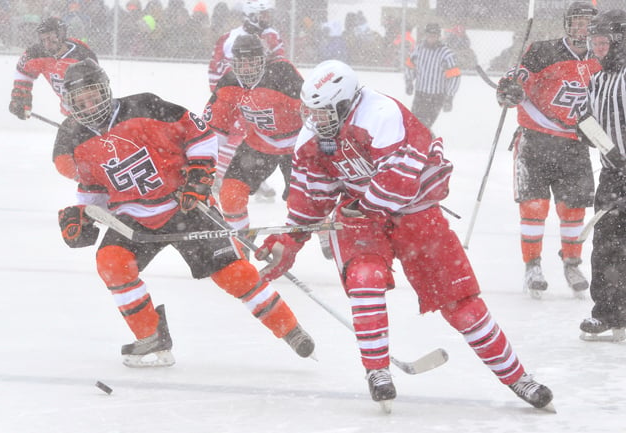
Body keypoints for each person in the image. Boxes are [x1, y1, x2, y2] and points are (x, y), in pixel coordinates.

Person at [254, 59, 554, 411]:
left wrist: (362, 207)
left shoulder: (381, 113)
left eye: (322, 112)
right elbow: (312, 197)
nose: (313, 120)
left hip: (415, 211)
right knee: (365, 278)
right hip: (362, 215)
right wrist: (290, 239)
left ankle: (517, 376)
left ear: (344, 102)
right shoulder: (311, 138)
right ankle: (377, 370)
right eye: (310, 111)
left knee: (461, 304)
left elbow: (398, 181)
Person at [53, 58, 315, 367]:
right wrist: (84, 216)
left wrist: (199, 177)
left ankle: (289, 329)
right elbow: (93, 187)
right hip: (133, 216)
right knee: (111, 262)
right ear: (68, 103)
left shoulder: (145, 106)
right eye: (79, 100)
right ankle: (151, 338)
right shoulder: (70, 142)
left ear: (106, 90)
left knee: (234, 274)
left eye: (93, 95)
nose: (88, 105)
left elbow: (199, 133)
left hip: (185, 205)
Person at [496, 1, 601, 299]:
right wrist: (510, 87)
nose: (582, 28)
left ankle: (571, 263)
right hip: (536, 139)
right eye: (577, 22)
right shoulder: (544, 50)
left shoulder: (603, 58)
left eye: (588, 23)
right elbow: (518, 76)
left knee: (574, 208)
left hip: (574, 143)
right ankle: (533, 264)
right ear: (567, 24)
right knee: (534, 206)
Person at [203, 34, 303, 234]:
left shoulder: (281, 73)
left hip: (297, 146)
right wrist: (197, 165)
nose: (246, 69)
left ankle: (320, 233)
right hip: (259, 145)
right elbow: (213, 131)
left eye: (251, 61)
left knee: (301, 202)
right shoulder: (229, 83)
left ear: (263, 60)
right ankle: (241, 244)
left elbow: (312, 113)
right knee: (230, 194)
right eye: (241, 62)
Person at [579, 9, 626, 341]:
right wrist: (586, 129)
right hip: (612, 175)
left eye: (602, 42)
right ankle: (607, 314)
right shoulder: (597, 79)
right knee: (605, 245)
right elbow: (589, 120)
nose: (596, 48)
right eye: (593, 42)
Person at [207, 0, 283, 200]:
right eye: (263, 14)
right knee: (231, 136)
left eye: (268, 14)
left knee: (253, 137)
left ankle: (250, 178)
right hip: (235, 94)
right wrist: (222, 94)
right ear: (251, 15)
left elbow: (280, 64)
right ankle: (221, 176)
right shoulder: (231, 39)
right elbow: (215, 69)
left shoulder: (272, 36)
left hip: (262, 94)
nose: (268, 18)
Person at [9, 16, 98, 181]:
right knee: (63, 162)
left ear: (62, 34)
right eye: (43, 40)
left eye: (51, 38)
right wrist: (20, 97)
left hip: (93, 115)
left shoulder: (80, 56)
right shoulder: (36, 53)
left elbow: (97, 90)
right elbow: (23, 71)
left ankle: (99, 184)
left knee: (96, 156)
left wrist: (85, 117)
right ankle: (91, 185)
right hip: (72, 117)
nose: (47, 44)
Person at [404, 22, 460, 129]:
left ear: (439, 36)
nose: (431, 38)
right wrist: (409, 81)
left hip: (436, 96)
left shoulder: (446, 54)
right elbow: (410, 66)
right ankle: (416, 144)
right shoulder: (418, 50)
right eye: (429, 35)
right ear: (425, 35)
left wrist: (449, 96)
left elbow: (454, 77)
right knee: (413, 123)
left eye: (434, 36)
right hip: (420, 94)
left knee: (425, 125)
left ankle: (426, 143)